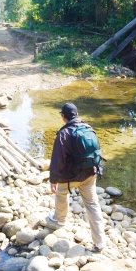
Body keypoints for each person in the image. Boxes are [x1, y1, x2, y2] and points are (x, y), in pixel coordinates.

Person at [48, 102, 106, 252]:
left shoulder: (64, 134)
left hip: (71, 176)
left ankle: (59, 220)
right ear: (78, 115)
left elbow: (57, 159)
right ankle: (100, 242)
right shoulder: (88, 129)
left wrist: (54, 179)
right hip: (89, 173)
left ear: (63, 117)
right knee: (92, 204)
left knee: (61, 193)